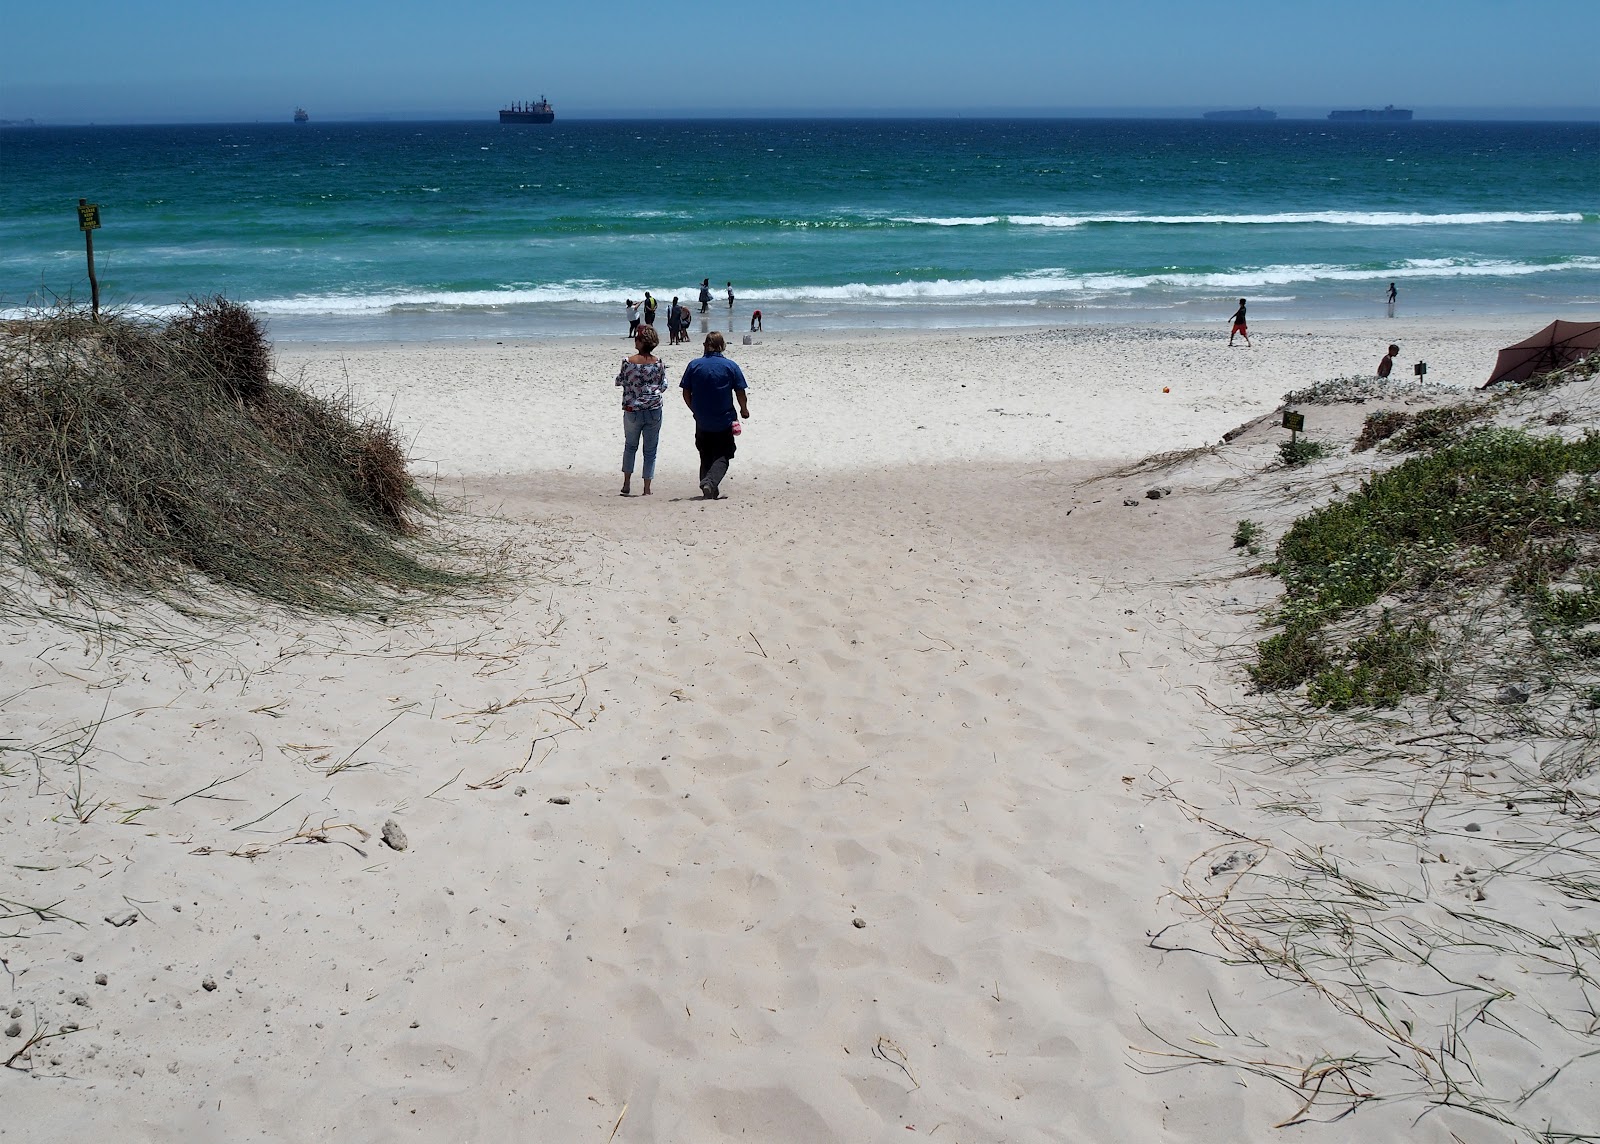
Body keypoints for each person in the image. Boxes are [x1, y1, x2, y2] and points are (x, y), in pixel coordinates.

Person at [679, 331, 750, 500]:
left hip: (702, 419)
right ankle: (710, 483)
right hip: (723, 419)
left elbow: (686, 393)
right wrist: (744, 409)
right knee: (724, 453)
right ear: (722, 346)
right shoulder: (730, 366)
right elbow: (740, 392)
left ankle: (709, 487)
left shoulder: (694, 365)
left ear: (705, 345)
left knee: (705, 453)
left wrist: (695, 410)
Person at [616, 325, 667, 497]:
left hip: (633, 409)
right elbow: (663, 385)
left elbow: (620, 381)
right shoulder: (659, 363)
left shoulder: (627, 362)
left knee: (630, 446)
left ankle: (627, 483)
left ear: (640, 341)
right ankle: (647, 488)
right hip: (653, 408)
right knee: (650, 450)